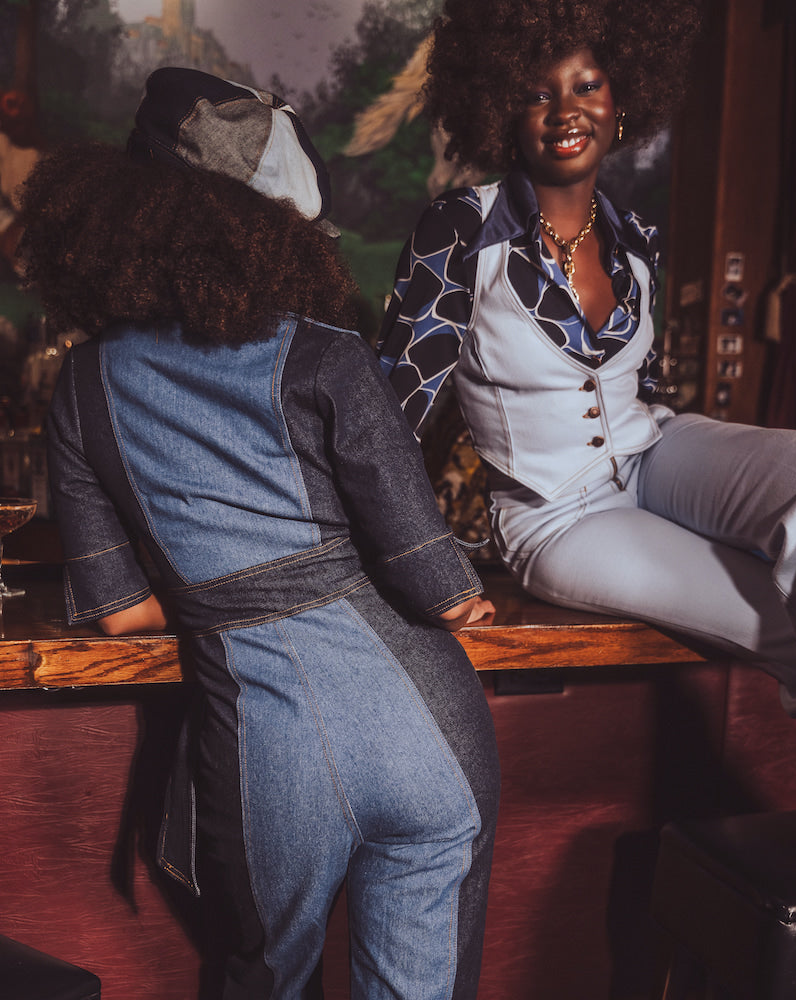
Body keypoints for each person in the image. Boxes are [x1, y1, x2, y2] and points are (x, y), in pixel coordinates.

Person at [20, 68, 499, 999]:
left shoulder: (83, 388)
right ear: (281, 236)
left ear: (126, 212)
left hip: (263, 754)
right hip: (425, 729)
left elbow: (120, 616)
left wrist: (228, 599)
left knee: (263, 982)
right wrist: (450, 597)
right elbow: (433, 576)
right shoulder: (330, 356)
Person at [377, 0, 796, 714]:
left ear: (620, 98)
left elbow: (643, 389)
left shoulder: (635, 239)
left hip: (656, 457)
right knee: (778, 620)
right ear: (503, 112)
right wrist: (425, 573)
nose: (566, 110)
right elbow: (387, 423)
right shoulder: (459, 231)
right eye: (537, 93)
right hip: (558, 521)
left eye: (588, 84)